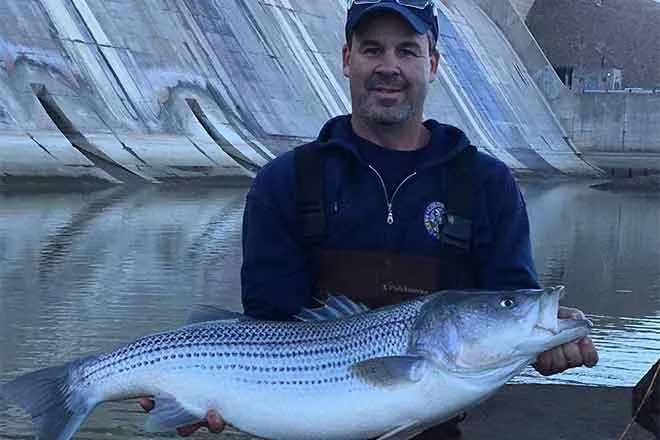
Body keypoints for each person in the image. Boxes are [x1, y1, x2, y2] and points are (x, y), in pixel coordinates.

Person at [141, 0, 599, 437]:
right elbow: (269, 327)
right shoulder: (284, 182)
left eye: (407, 50)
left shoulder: (487, 185)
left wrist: (542, 345)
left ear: (433, 64)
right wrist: (207, 388)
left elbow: (510, 301)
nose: (388, 67)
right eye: (372, 49)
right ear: (347, 59)